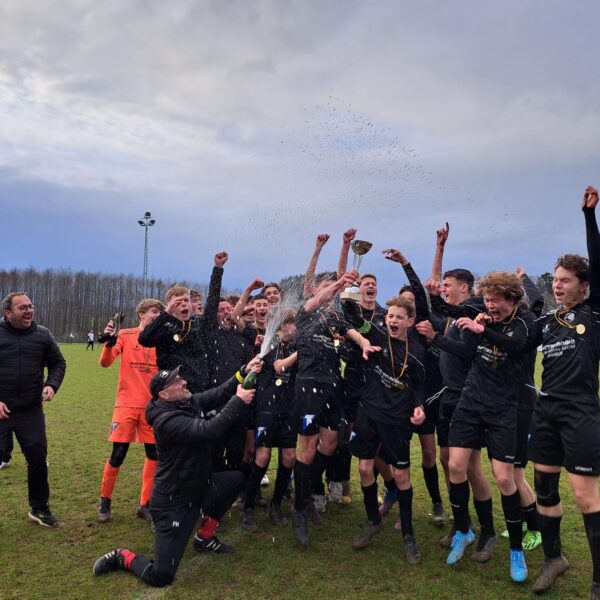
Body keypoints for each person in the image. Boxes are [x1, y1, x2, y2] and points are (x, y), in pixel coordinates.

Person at [93, 359, 261, 587]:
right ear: (163, 395)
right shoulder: (166, 420)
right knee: (161, 576)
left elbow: (217, 394)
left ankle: (205, 537)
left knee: (238, 479)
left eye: (180, 377)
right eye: (176, 381)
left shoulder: (185, 402)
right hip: (174, 504)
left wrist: (244, 372)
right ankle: (123, 556)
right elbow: (210, 430)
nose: (183, 381)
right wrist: (239, 401)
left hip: (201, 487)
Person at [426, 272, 536, 582]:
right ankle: (463, 531)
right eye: (487, 300)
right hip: (470, 403)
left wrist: (482, 330)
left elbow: (515, 347)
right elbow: (464, 351)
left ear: (512, 300)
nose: (490, 306)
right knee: (456, 467)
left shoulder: (524, 321)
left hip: (503, 409)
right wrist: (439, 329)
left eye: (496, 301)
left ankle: (516, 550)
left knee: (504, 478)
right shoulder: (480, 318)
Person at [528, 186, 600, 598]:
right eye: (554, 280)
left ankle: (598, 580)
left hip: (581, 413)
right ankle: (554, 558)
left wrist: (589, 217)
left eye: (565, 281)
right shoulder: (548, 321)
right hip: (546, 412)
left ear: (584, 285)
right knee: (545, 489)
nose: (557, 286)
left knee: (585, 496)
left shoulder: (593, 312)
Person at [349, 292, 426, 564]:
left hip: (397, 420)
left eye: (398, 317)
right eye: (390, 316)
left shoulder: (417, 351)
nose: (392, 320)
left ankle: (408, 534)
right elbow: (354, 318)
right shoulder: (377, 336)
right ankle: (373, 520)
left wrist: (419, 407)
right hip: (368, 413)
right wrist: (349, 289)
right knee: (364, 468)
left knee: (402, 477)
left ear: (409, 321)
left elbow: (418, 387)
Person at [291, 266, 360, 546]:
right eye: (327, 289)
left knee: (330, 445)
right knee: (307, 449)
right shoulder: (304, 313)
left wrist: (364, 342)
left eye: (334, 292)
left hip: (333, 386)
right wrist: (339, 284)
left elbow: (352, 331)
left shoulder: (334, 320)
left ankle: (305, 491)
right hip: (308, 386)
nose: (331, 296)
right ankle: (300, 509)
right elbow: (317, 299)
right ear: (316, 290)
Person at [0, 292, 66, 526]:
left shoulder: (42, 335)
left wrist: (51, 384)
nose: (29, 311)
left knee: (38, 459)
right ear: (8, 313)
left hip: (30, 411)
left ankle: (39, 508)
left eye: (30, 306)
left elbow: (59, 362)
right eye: (22, 308)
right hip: (1, 409)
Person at [97, 298, 165, 523]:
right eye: (154, 312)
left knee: (153, 455)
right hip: (126, 405)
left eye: (160, 313)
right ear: (141, 314)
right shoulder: (125, 335)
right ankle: (105, 500)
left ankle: (145, 503)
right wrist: (108, 341)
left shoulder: (162, 340)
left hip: (152, 408)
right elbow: (105, 363)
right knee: (118, 454)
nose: (157, 316)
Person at [241, 311, 298, 531]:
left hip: (289, 409)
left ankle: (275, 505)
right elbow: (278, 367)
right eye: (285, 325)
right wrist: (299, 354)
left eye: (292, 325)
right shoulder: (270, 344)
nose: (289, 329)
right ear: (279, 327)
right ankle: (247, 506)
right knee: (262, 455)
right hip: (267, 409)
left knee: (290, 456)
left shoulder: (297, 345)